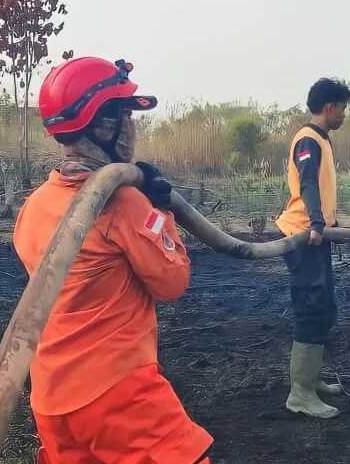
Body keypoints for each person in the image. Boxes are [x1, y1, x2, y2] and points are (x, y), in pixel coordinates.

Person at [12, 57, 213, 464]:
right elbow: (172, 282)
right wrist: (161, 213)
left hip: (52, 398)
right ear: (104, 125)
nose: (133, 127)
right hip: (116, 392)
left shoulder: (36, 205)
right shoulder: (121, 202)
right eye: (127, 115)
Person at [275, 77, 350, 419]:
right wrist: (318, 223)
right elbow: (308, 183)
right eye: (343, 109)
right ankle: (300, 394)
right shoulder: (308, 140)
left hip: (316, 235)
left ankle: (311, 379)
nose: (344, 116)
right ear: (330, 107)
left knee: (323, 306)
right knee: (311, 308)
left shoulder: (320, 139)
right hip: (304, 235)